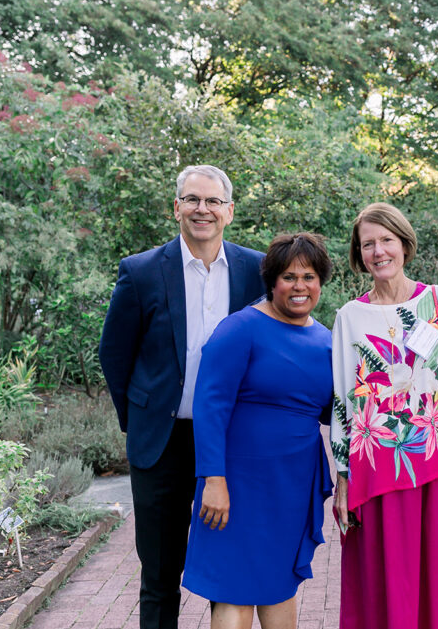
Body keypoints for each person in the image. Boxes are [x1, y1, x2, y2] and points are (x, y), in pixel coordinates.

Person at [98, 165, 266, 629]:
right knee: (159, 574)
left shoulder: (256, 270)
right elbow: (114, 354)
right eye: (192, 199)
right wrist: (139, 418)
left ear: (229, 212)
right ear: (177, 208)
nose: (202, 209)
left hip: (232, 443)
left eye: (213, 201)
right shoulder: (142, 271)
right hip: (161, 442)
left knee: (224, 571)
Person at [330, 202, 438, 629]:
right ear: (358, 254)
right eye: (368, 244)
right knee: (386, 586)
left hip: (437, 465)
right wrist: (343, 480)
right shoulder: (349, 317)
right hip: (376, 470)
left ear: (404, 244)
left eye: (386, 240)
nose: (378, 251)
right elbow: (344, 402)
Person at [182, 232, 335, 629]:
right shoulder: (241, 328)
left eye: (309, 276)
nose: (299, 286)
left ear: (321, 282)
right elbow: (210, 406)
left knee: (278, 585)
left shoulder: (326, 340)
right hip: (235, 484)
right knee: (234, 588)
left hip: (291, 484)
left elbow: (332, 412)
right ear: (272, 281)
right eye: (289, 276)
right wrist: (213, 479)